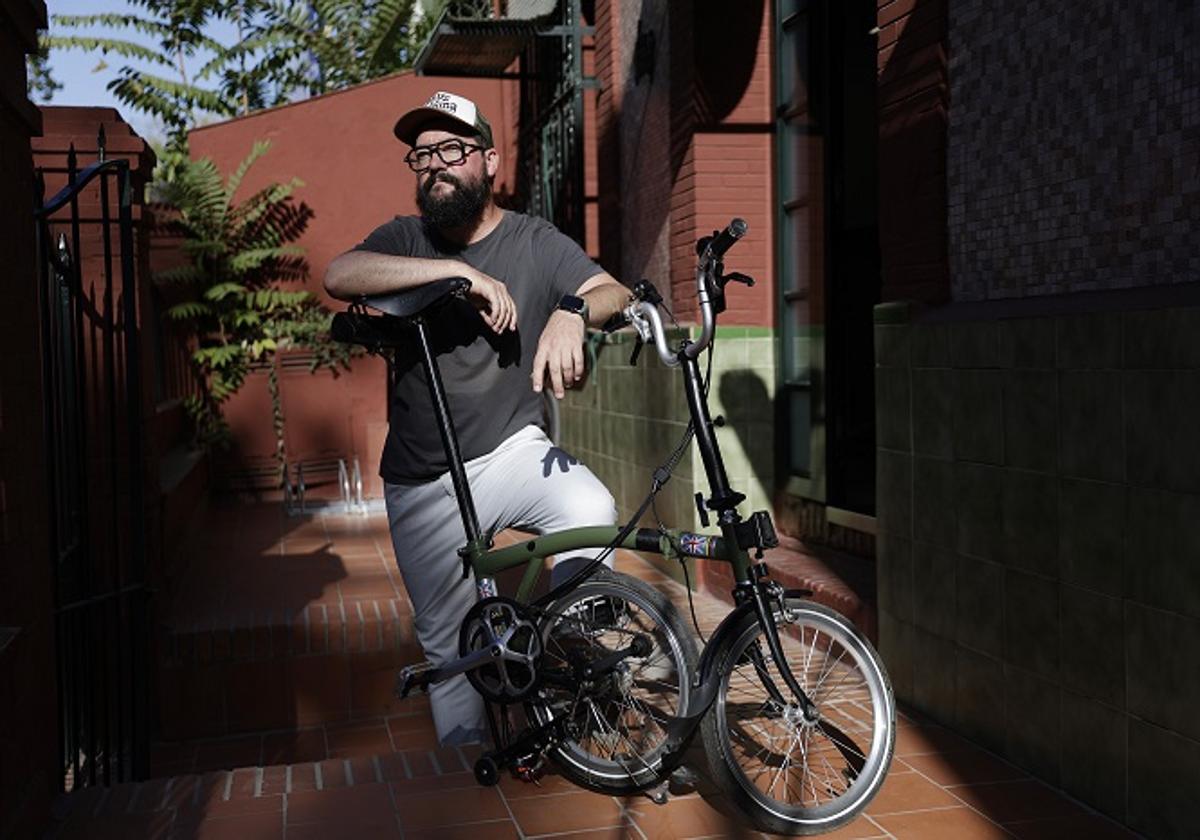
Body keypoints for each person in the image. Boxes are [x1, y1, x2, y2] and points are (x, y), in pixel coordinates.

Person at [323, 91, 631, 746]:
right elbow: (341, 273)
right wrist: (455, 273)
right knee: (448, 652)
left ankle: (561, 652)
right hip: (422, 477)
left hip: (511, 449)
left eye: (452, 150)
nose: (435, 165)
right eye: (422, 154)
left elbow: (614, 290)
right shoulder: (406, 238)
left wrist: (572, 311)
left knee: (591, 507)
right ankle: (465, 781)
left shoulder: (533, 239)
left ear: (489, 161)